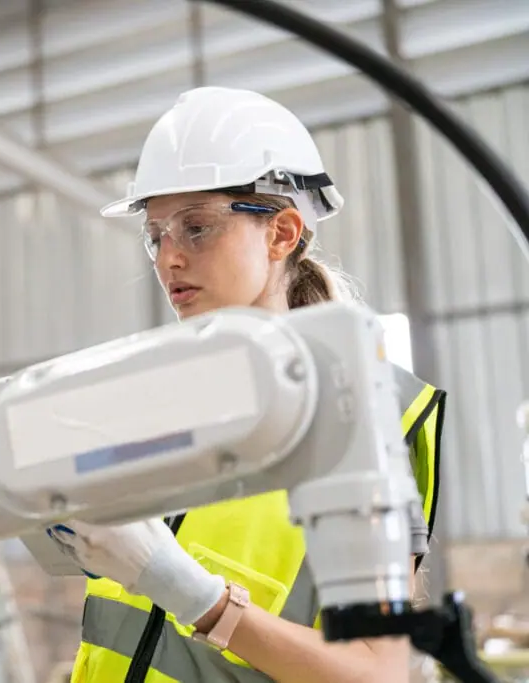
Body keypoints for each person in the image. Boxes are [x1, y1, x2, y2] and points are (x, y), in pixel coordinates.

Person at [46, 87, 446, 683]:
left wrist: (192, 594)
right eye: (156, 234)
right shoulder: (156, 398)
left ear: (282, 233)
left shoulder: (361, 410)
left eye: (197, 228)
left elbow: (376, 673)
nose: (168, 259)